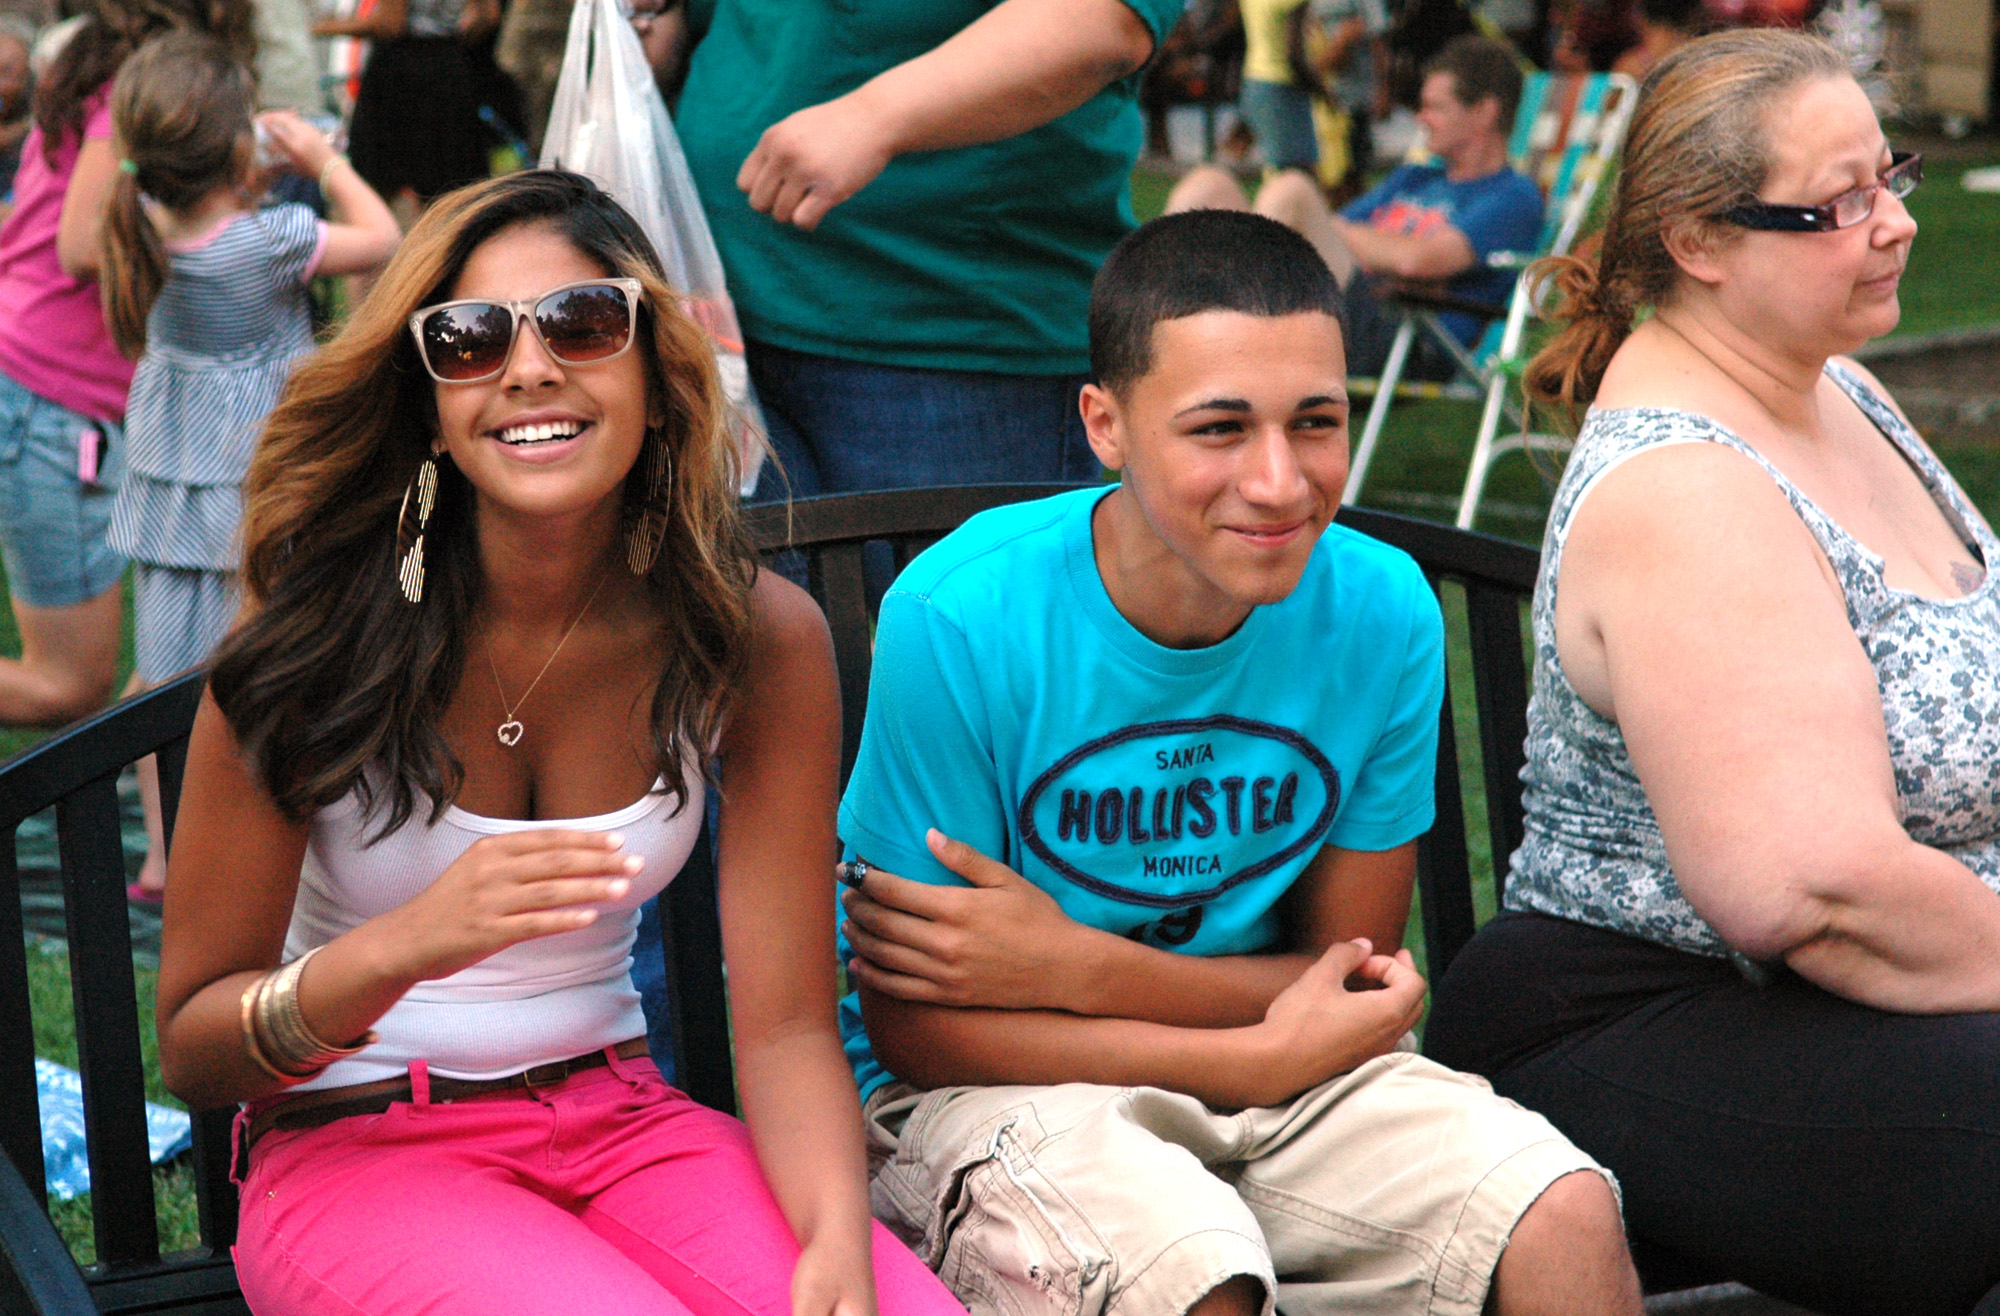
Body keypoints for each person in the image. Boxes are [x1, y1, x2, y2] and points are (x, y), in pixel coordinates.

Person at [152, 170, 967, 1316]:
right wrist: (407, 945)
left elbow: (782, 1023)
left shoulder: (749, 635)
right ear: (425, 395)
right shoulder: (316, 639)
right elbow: (194, 1046)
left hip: (626, 1123)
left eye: (582, 324)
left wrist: (835, 1234)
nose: (530, 367)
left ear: (651, 363)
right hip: (356, 1144)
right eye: (471, 340)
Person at [832, 209, 1642, 1316]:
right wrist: (1253, 1050)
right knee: (1192, 1267)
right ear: (1104, 424)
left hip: (1279, 1070)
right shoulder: (960, 618)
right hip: (994, 1090)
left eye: (1315, 421)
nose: (1277, 481)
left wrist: (1072, 964)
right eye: (1218, 429)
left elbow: (1346, 974)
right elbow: (918, 1028)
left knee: (1559, 1206)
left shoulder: (1377, 605)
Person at [1421, 30, 2000, 1316]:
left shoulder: (1833, 380)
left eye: (1887, 176)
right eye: (1837, 203)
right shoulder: (1686, 491)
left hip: (1857, 993)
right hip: (1631, 1022)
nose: (1893, 223)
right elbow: (1813, 891)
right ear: (1696, 240)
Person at [100, 32, 399, 905]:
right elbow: (380, 235)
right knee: (275, 655)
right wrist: (321, 161)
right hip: (257, 483)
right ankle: (298, 842)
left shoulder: (142, 226)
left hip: (171, 481)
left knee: (163, 673)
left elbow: (202, 214)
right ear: (235, 148)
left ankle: (162, 857)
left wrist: (243, 174)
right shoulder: (269, 241)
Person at [673, 0, 1180, 503]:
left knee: (932, 584)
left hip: (948, 336)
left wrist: (874, 116)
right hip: (718, 312)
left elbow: (1105, 19)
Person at [0, 0, 252, 729]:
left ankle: (169, 847)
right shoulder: (135, 90)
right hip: (49, 395)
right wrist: (227, 247)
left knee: (172, 654)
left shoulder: (123, 74)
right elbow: (81, 244)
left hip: (57, 384)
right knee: (68, 686)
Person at [1165, 35, 1541, 378]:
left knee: (1293, 192)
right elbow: (1330, 229)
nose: (1420, 118)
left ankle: (1216, 342)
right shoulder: (1415, 177)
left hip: (1408, 336)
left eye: (1435, 107)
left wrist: (1343, 234)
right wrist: (1367, 244)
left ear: (1484, 112)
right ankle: (1159, 332)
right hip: (1342, 310)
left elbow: (1419, 260)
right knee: (1209, 185)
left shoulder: (1511, 196)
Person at [314, 0, 497, 216]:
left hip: (400, 71)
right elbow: (488, 17)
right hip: (448, 68)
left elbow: (389, 24)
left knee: (375, 188)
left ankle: (375, 245)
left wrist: (318, 28)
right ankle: (433, 247)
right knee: (443, 194)